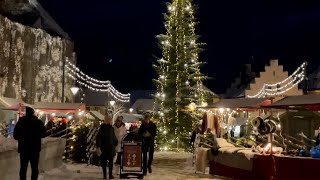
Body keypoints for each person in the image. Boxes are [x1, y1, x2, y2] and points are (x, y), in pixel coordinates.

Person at [13, 106, 46, 180]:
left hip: (23, 149)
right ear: (33, 113)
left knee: (23, 168)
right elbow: (44, 134)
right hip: (35, 149)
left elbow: (15, 136)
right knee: (34, 168)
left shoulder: (20, 122)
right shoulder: (38, 122)